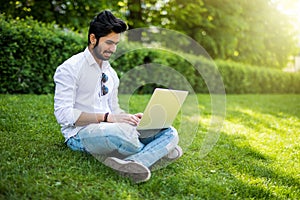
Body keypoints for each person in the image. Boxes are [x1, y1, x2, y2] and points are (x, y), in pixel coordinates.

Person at [53, 10, 183, 183]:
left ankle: (134, 162)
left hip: (112, 128)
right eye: (108, 43)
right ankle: (159, 151)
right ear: (93, 39)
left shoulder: (111, 73)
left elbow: (114, 109)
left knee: (170, 132)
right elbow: (63, 115)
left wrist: (129, 118)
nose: (113, 49)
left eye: (116, 44)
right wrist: (107, 118)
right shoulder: (69, 69)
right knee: (122, 135)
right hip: (79, 134)